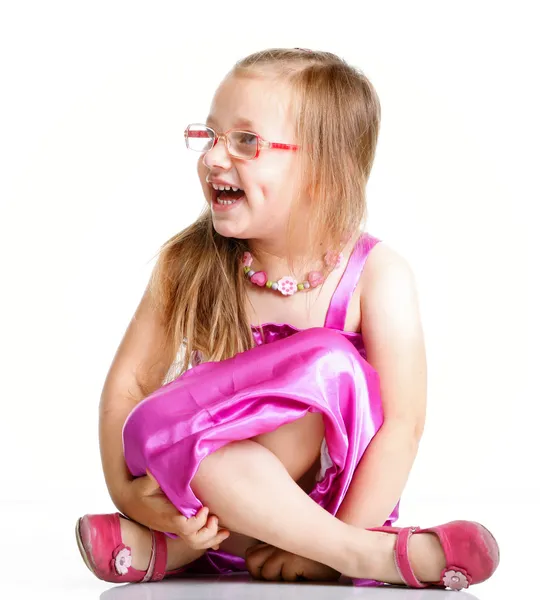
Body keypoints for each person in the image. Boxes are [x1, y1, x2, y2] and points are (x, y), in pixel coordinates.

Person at [75, 47, 499, 590]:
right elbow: (130, 388)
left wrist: (339, 540)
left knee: (327, 360)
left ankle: (330, 547)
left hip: (327, 507)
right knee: (161, 426)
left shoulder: (377, 276)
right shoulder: (187, 264)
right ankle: (358, 555)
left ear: (322, 172)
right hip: (208, 494)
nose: (213, 158)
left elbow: (402, 425)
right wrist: (126, 492)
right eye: (209, 136)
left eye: (245, 142)